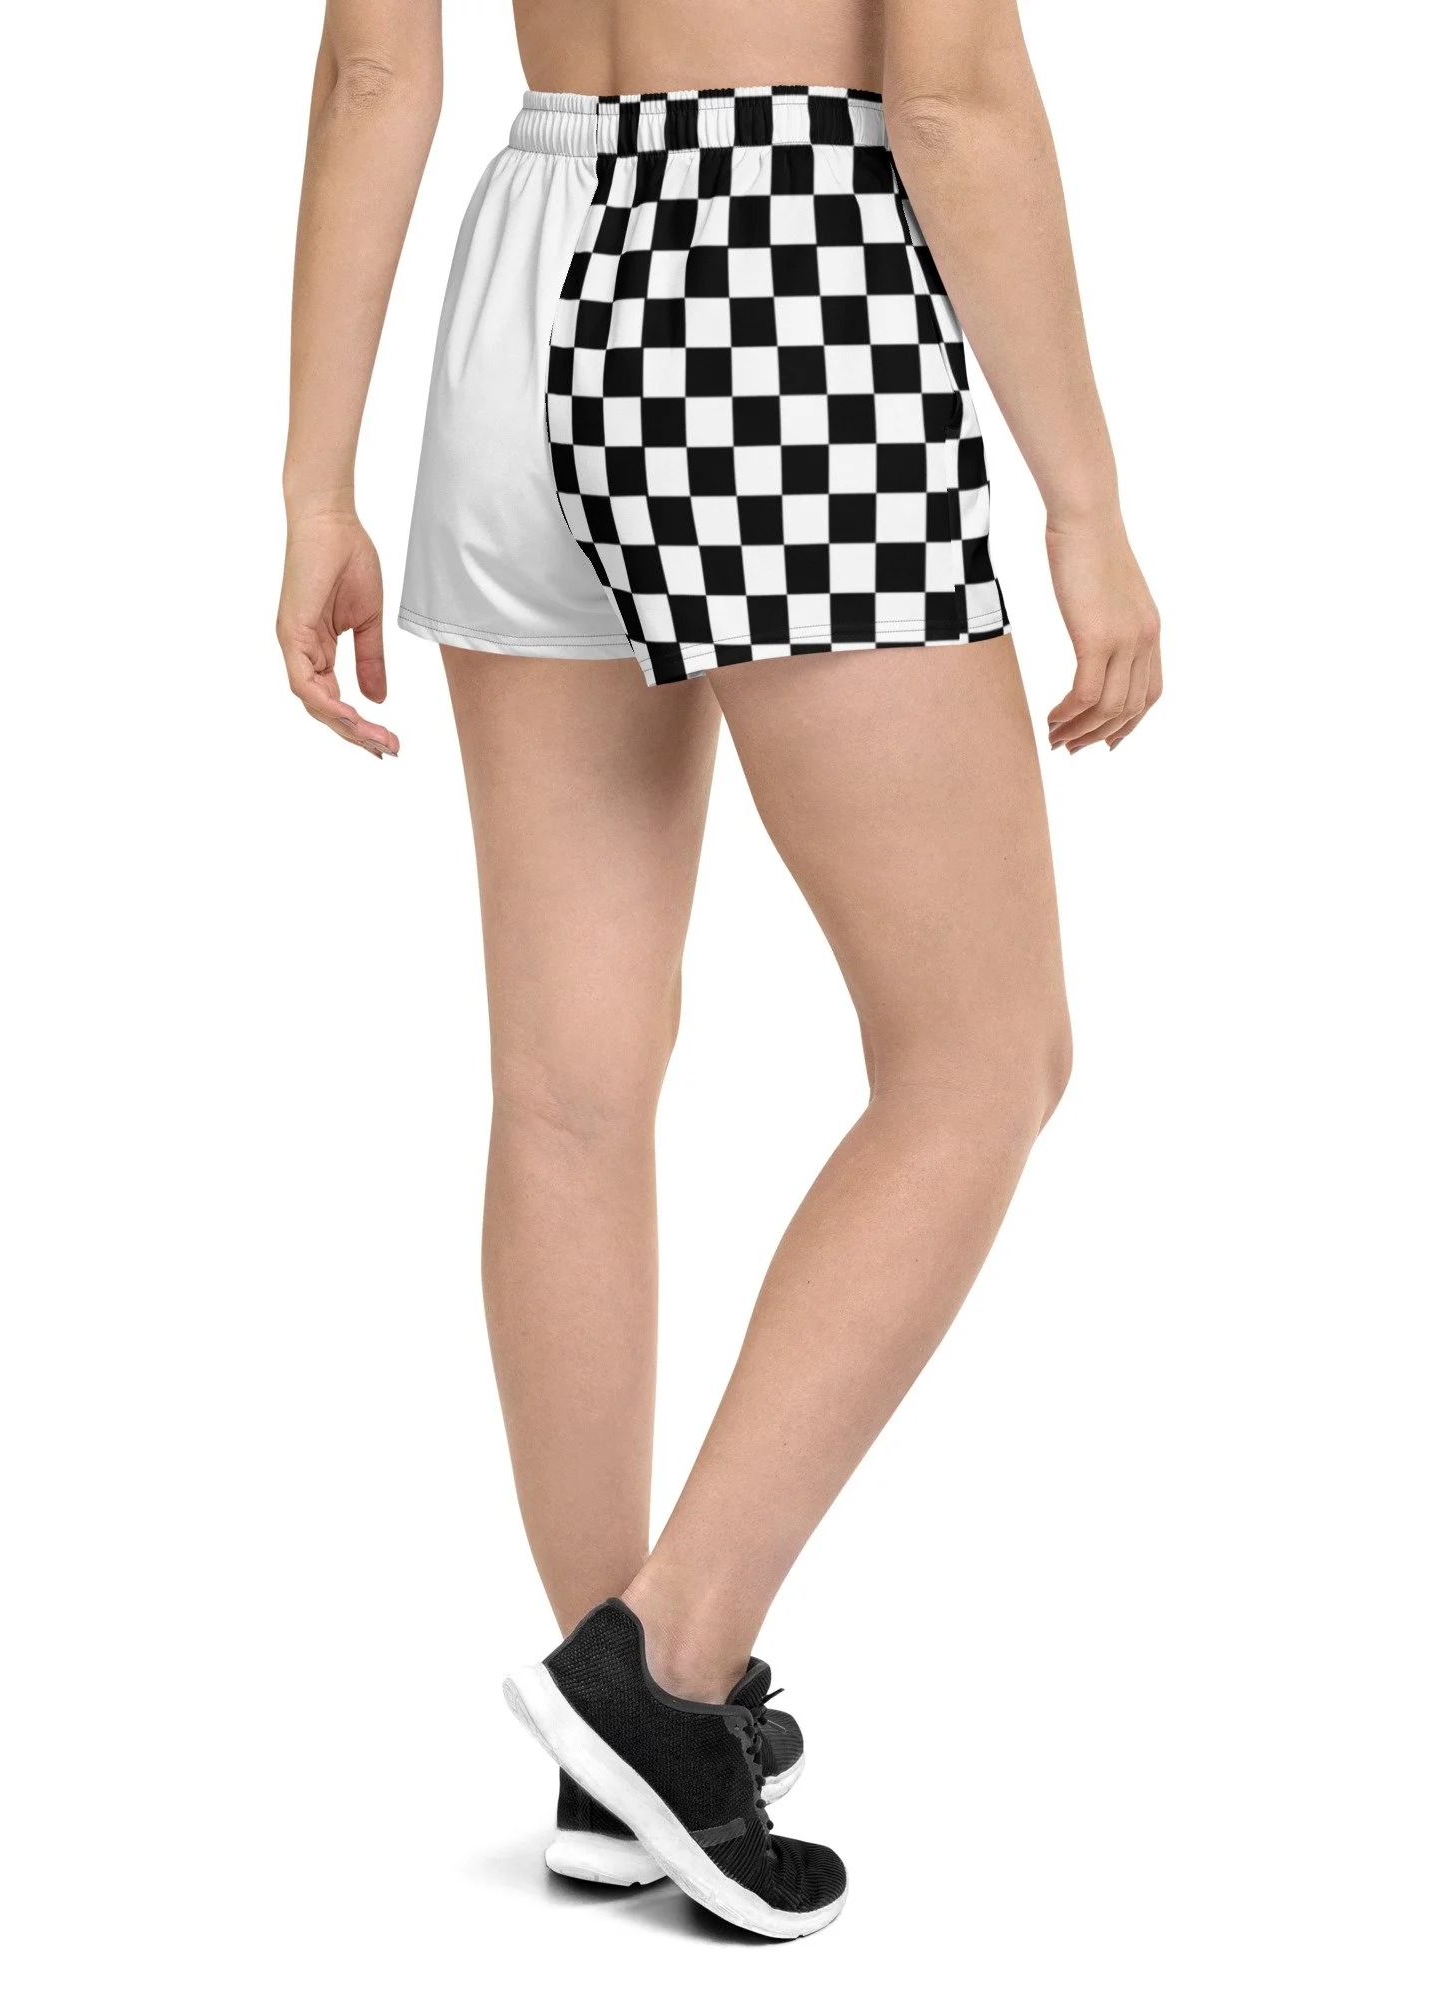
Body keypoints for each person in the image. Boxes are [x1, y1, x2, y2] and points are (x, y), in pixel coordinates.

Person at [277, 0, 1161, 1940]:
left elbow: (373, 68)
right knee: (981, 1057)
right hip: (772, 263)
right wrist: (1086, 504)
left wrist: (313, 484)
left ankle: (615, 1750)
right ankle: (662, 1670)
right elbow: (949, 95)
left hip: (523, 258)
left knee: (567, 1087)